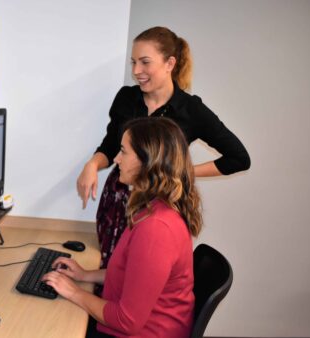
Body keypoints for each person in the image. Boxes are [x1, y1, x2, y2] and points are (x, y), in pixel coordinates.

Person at [76, 26, 250, 270]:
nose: (136, 71)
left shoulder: (191, 110)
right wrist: (92, 164)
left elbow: (238, 158)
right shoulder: (126, 98)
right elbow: (110, 145)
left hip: (157, 209)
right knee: (110, 272)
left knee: (141, 277)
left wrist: (180, 171)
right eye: (133, 62)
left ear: (170, 63)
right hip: (117, 204)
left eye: (145, 62)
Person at [44, 117, 201, 338]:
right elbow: (133, 275)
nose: (117, 159)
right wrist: (85, 275)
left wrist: (74, 292)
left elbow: (127, 321)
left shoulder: (156, 229)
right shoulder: (152, 209)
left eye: (123, 152)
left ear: (148, 161)